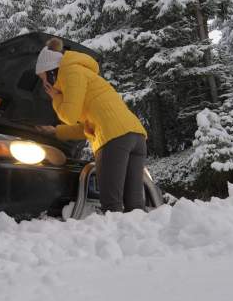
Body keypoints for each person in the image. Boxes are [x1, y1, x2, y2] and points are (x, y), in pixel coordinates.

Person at [35, 37, 148, 213]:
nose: (45, 85)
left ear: (51, 72)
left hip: (113, 137)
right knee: (135, 205)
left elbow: (70, 116)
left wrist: (55, 97)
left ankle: (117, 240)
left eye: (44, 79)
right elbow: (87, 128)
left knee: (112, 204)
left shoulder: (71, 72)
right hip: (135, 136)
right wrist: (56, 131)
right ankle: (140, 239)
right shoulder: (84, 75)